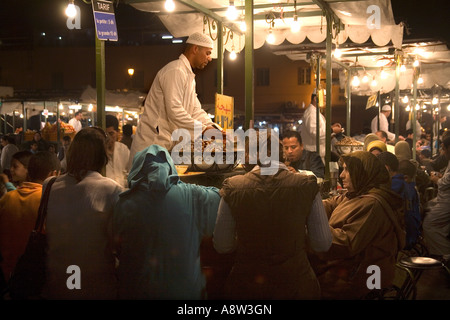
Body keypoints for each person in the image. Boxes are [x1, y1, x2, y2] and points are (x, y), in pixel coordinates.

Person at [213, 130, 332, 300]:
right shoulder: (306, 184)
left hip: (247, 287)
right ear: (281, 153)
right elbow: (322, 244)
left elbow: (222, 245)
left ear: (250, 155)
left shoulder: (233, 187)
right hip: (296, 285)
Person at [113, 144, 221, 299]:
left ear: (136, 170)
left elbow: (118, 247)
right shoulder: (193, 195)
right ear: (171, 167)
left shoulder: (123, 204)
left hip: (137, 292)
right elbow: (221, 197)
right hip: (184, 294)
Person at [41, 127, 125, 300]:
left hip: (57, 279)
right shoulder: (112, 190)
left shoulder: (49, 185)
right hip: (96, 283)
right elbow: (118, 240)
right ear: (102, 156)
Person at [309, 151, 405, 299]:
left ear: (363, 172)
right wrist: (304, 205)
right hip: (346, 268)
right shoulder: (355, 195)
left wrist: (312, 227)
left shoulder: (371, 204)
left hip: (359, 277)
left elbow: (345, 244)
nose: (341, 175)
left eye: (348, 170)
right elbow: (331, 204)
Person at [128, 32, 223, 169]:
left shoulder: (188, 76)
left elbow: (195, 110)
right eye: (207, 53)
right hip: (151, 145)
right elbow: (175, 111)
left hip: (165, 147)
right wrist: (203, 129)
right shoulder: (175, 70)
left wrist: (214, 128)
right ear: (195, 49)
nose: (209, 58)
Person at [0, 151, 60, 285]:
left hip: (8, 275)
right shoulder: (49, 201)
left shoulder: (8, 198)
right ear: (53, 174)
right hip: (35, 278)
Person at [378, 152, 421, 250]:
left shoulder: (391, 187)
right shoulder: (408, 185)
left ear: (386, 168)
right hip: (413, 235)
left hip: (400, 241)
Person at [422, 135, 450, 260]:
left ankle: (445, 253)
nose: (442, 152)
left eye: (443, 149)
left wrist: (436, 179)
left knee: (429, 224)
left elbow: (444, 183)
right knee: (428, 208)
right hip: (443, 199)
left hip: (447, 202)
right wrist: (441, 176)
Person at [300, 91, 326, 161]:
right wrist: (331, 130)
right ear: (315, 98)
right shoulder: (311, 113)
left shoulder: (315, 111)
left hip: (318, 154)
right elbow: (315, 133)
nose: (325, 99)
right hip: (313, 155)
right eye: (324, 97)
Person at [105, 115, 130, 188]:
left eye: (111, 133)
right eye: (105, 134)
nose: (108, 138)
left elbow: (130, 172)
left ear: (117, 133)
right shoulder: (97, 152)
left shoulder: (123, 149)